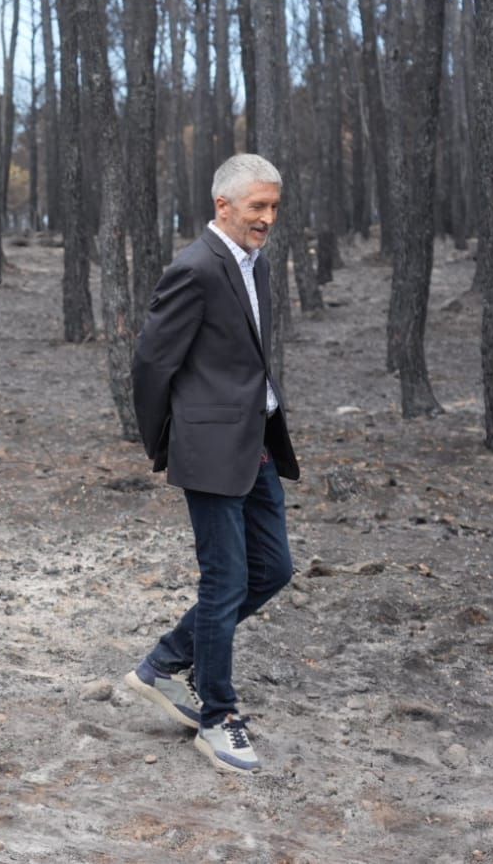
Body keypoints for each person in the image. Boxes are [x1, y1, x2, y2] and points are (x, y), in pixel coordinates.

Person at [126, 153, 300, 774]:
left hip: (255, 443)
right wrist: (166, 442)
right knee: (224, 583)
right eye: (257, 206)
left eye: (274, 207)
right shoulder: (195, 268)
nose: (268, 218)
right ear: (222, 205)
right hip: (208, 449)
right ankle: (217, 717)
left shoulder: (259, 265)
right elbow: (151, 363)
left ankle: (165, 661)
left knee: (274, 568)